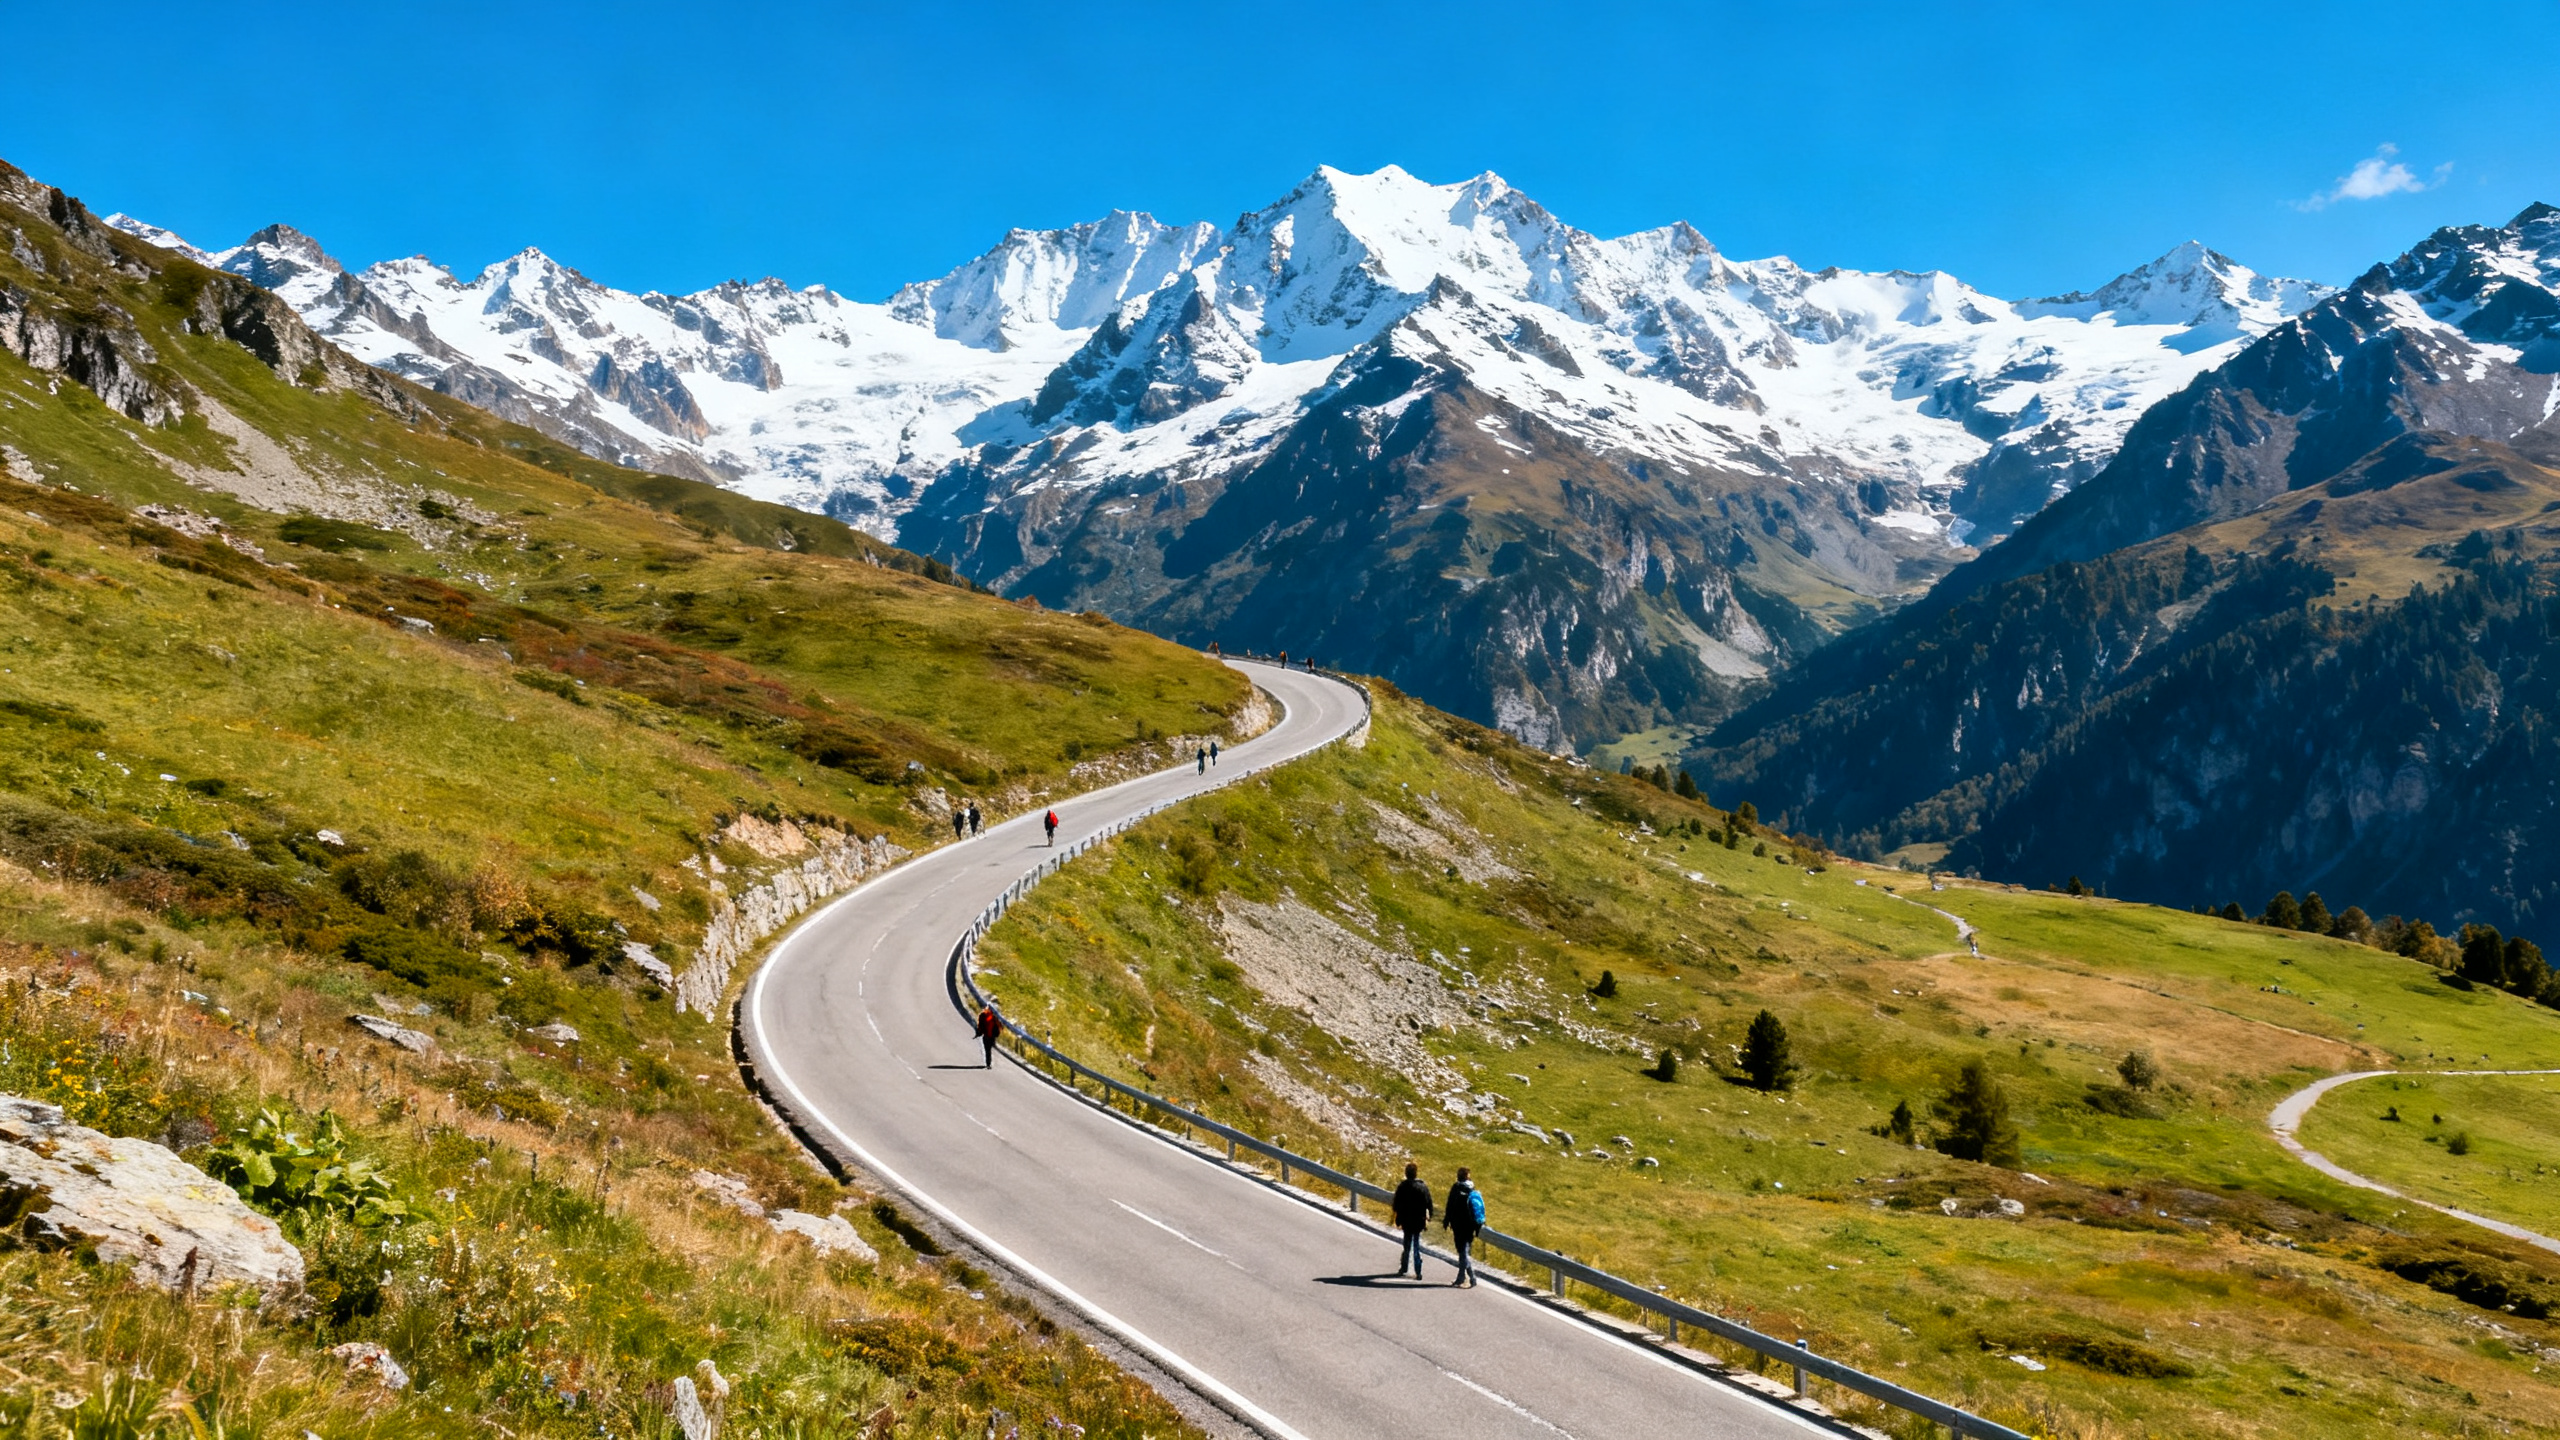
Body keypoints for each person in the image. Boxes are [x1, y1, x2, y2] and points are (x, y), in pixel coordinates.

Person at [1390, 1161, 1435, 1279]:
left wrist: (1397, 1218)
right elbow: (1429, 1203)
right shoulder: (1422, 1187)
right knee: (1416, 1244)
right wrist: (1430, 1215)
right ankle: (1418, 1270)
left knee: (1407, 1244)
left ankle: (1404, 1267)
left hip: (1406, 1220)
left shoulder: (1402, 1186)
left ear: (1406, 1173)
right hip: (1419, 1220)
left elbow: (1396, 1204)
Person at [1444, 1166, 1483, 1287]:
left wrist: (1446, 1220)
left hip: (1458, 1224)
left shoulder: (1456, 1188)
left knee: (1462, 1250)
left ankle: (1467, 1277)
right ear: (1468, 1176)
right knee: (1464, 1250)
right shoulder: (1472, 1189)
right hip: (1470, 1225)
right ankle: (1468, 1277)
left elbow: (1450, 1205)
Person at [976, 1002, 1001, 1067]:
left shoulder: (982, 1015)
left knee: (987, 1050)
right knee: (989, 1050)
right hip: (992, 1037)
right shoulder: (994, 1017)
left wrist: (978, 1033)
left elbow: (980, 1026)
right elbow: (999, 1026)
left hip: (986, 1036)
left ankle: (988, 1063)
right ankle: (988, 1063)